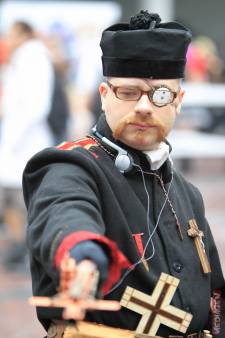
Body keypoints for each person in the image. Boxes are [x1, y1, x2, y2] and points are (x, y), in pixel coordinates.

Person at [23, 11, 225, 338]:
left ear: (178, 101)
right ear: (104, 97)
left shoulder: (188, 193)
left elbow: (215, 293)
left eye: (160, 94)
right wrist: (82, 255)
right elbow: (64, 214)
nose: (144, 106)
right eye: (128, 92)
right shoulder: (70, 165)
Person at [0, 21, 54, 268]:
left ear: (22, 33)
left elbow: (36, 105)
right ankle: (20, 244)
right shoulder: (22, 57)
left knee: (26, 198)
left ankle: (31, 247)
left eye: (11, 33)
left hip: (26, 141)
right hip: (16, 141)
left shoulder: (34, 58)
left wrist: (13, 137)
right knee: (12, 198)